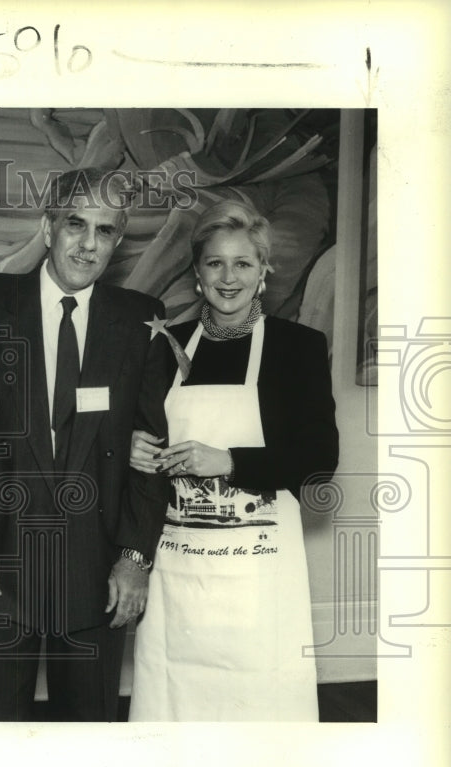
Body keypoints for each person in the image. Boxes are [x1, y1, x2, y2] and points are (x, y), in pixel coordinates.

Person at [0, 168, 170, 721]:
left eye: (106, 231)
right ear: (47, 226)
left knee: (87, 748)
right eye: (76, 224)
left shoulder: (141, 320)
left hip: (98, 575)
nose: (89, 244)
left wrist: (135, 557)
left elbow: (153, 451)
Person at [127, 199, 339, 721]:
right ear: (197, 273)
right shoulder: (167, 345)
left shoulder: (298, 347)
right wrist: (135, 448)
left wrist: (230, 461)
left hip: (259, 581)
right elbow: (141, 446)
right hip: (178, 579)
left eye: (243, 263)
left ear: (263, 271)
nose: (228, 277)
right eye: (215, 263)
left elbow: (319, 460)